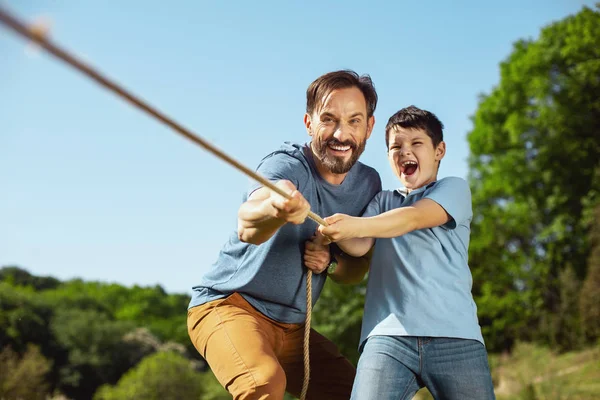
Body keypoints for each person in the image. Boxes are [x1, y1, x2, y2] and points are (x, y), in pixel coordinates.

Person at [187, 70, 382, 400]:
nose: (341, 133)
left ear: (369, 127)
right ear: (309, 123)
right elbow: (248, 224)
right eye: (329, 119)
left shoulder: (368, 185)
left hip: (294, 330)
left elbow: (359, 265)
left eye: (354, 121)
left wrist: (330, 265)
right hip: (229, 306)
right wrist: (278, 207)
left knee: (359, 393)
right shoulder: (286, 165)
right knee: (262, 384)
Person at [316, 105, 496, 399]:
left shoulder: (453, 189)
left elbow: (412, 218)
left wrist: (354, 225)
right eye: (395, 147)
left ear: (439, 151)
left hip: (456, 336)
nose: (404, 152)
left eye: (416, 143)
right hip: (387, 337)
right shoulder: (382, 201)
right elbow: (360, 243)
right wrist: (332, 230)